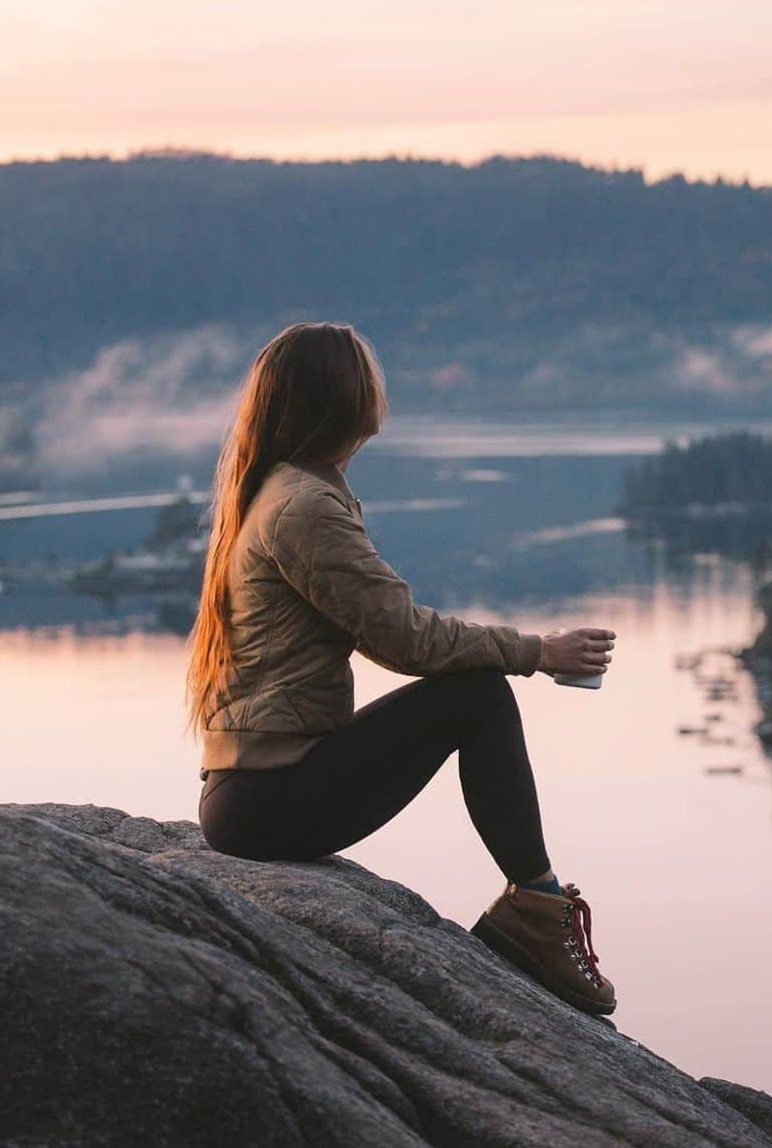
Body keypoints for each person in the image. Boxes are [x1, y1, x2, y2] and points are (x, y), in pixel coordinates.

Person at [187, 322, 618, 1016]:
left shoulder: (276, 491)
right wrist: (540, 652)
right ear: (346, 400)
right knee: (477, 696)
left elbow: (392, 634)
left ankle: (533, 904)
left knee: (472, 690)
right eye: (368, 379)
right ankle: (536, 909)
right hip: (268, 800)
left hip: (253, 793)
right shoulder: (303, 505)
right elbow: (409, 642)